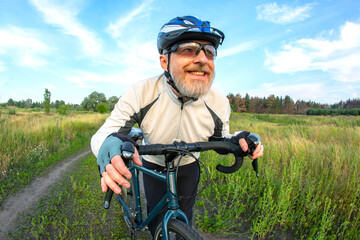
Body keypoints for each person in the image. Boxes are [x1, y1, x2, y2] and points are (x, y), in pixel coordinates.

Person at [91, 15, 264, 236]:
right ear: (165, 61)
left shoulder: (219, 102)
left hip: (189, 166)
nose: (202, 59)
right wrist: (107, 144)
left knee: (185, 218)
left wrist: (244, 139)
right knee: (157, 221)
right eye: (188, 50)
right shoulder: (141, 92)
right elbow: (105, 133)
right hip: (153, 164)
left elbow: (221, 138)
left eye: (209, 52)